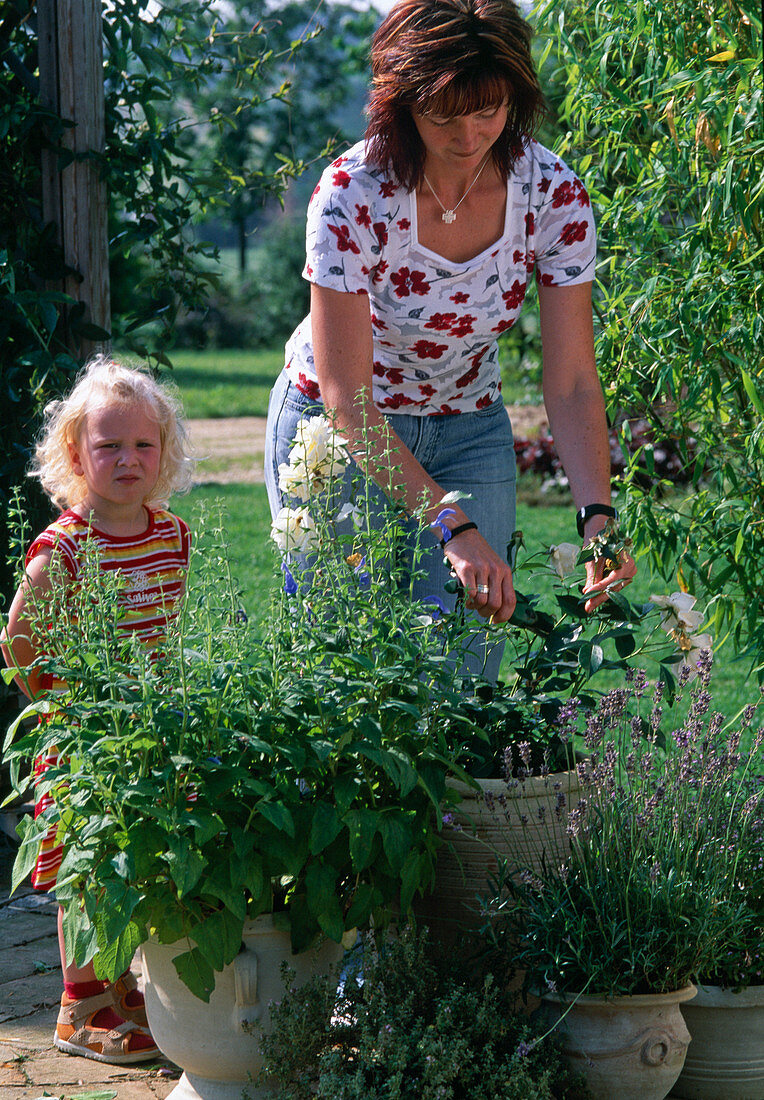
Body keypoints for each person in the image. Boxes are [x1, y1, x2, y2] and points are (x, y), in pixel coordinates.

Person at [265, 0, 635, 678]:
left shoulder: (552, 194)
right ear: (401, 101)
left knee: (467, 670)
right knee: (341, 672)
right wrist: (453, 528)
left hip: (470, 425)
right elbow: (348, 400)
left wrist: (597, 521)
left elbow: (574, 382)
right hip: (340, 429)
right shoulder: (353, 192)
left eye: (487, 111)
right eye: (443, 113)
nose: (467, 135)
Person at [1, 356, 195, 1064]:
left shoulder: (171, 536)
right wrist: (64, 705)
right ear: (75, 454)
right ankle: (79, 1005)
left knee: (131, 858)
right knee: (84, 865)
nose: (127, 459)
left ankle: (121, 987)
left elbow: (166, 631)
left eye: (143, 445)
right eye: (107, 446)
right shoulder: (64, 548)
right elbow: (18, 641)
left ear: (164, 454)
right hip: (85, 740)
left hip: (147, 733)